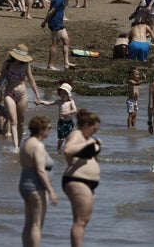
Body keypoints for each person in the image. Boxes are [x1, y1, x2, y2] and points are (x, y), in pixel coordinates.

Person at [62, 109, 101, 247]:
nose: (95, 131)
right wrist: (88, 144)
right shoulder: (77, 134)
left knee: (82, 220)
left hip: (87, 182)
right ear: (86, 125)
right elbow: (67, 150)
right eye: (94, 128)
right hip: (77, 180)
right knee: (80, 221)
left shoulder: (87, 137)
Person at [19, 115, 58, 247]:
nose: (50, 130)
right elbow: (41, 171)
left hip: (24, 185)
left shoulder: (25, 143)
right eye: (49, 128)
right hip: (36, 187)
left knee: (28, 223)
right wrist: (51, 191)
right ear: (41, 129)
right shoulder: (38, 146)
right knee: (36, 225)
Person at [0, 44, 41, 149]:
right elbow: (1, 79)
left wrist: (37, 96)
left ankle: (19, 146)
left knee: (21, 122)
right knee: (13, 121)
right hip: (9, 94)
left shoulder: (26, 65)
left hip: (22, 95)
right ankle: (15, 147)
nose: (18, 60)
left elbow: (32, 81)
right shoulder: (7, 64)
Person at [41, 0, 76, 70]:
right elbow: (52, 11)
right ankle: (50, 65)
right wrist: (45, 22)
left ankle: (66, 63)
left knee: (66, 40)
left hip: (60, 22)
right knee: (55, 44)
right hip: (55, 23)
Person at [39, 83, 77, 151]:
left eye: (64, 93)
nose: (62, 95)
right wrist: (41, 102)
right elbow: (49, 103)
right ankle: (58, 149)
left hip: (69, 122)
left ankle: (66, 148)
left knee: (68, 137)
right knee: (61, 138)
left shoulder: (71, 102)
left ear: (68, 94)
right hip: (61, 122)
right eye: (61, 93)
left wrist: (67, 113)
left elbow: (75, 110)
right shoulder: (59, 101)